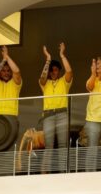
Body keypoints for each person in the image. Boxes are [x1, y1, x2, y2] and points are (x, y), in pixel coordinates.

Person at [39, 42, 72, 172]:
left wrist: (61, 55)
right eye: (51, 70)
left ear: (59, 71)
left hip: (62, 114)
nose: (53, 72)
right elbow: (42, 78)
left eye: (56, 70)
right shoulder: (44, 83)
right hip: (48, 115)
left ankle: (63, 173)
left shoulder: (64, 81)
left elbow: (69, 71)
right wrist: (48, 60)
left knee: (63, 146)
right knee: (49, 146)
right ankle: (44, 174)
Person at [0, 45, 22, 147]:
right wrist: (3, 61)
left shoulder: (15, 83)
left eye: (8, 71)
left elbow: (16, 71)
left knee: (10, 147)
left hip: (11, 117)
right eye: (3, 70)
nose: (6, 73)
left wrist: (7, 57)